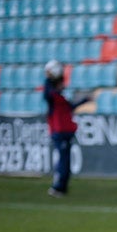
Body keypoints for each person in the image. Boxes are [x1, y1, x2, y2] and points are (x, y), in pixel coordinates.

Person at [43, 60, 90, 198]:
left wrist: (85, 100)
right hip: (60, 131)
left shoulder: (60, 99)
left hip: (66, 132)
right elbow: (47, 93)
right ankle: (58, 186)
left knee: (66, 160)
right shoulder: (53, 98)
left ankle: (62, 187)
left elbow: (71, 106)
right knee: (63, 160)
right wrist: (49, 77)